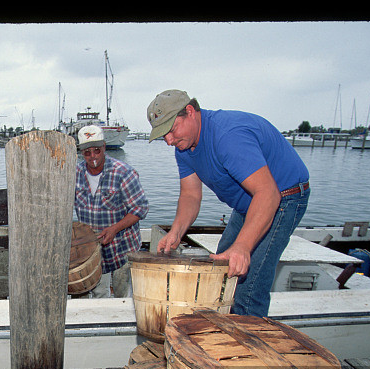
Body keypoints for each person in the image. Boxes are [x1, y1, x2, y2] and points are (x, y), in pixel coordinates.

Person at [147, 89, 310, 317]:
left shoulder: (228, 136)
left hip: (284, 196)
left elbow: (268, 194)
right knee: (221, 274)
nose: (169, 141)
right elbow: (191, 196)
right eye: (163, 135)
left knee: (247, 286)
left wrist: (243, 247)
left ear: (191, 112)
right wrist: (176, 231)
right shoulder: (183, 147)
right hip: (249, 202)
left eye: (171, 130)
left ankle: (248, 347)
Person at [74, 125, 148, 297]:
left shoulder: (123, 172)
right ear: (81, 153)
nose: (92, 156)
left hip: (122, 247)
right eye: (87, 152)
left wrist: (115, 229)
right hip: (93, 249)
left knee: (123, 295)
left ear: (104, 147)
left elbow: (140, 208)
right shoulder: (74, 174)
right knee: (100, 292)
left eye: (97, 150)